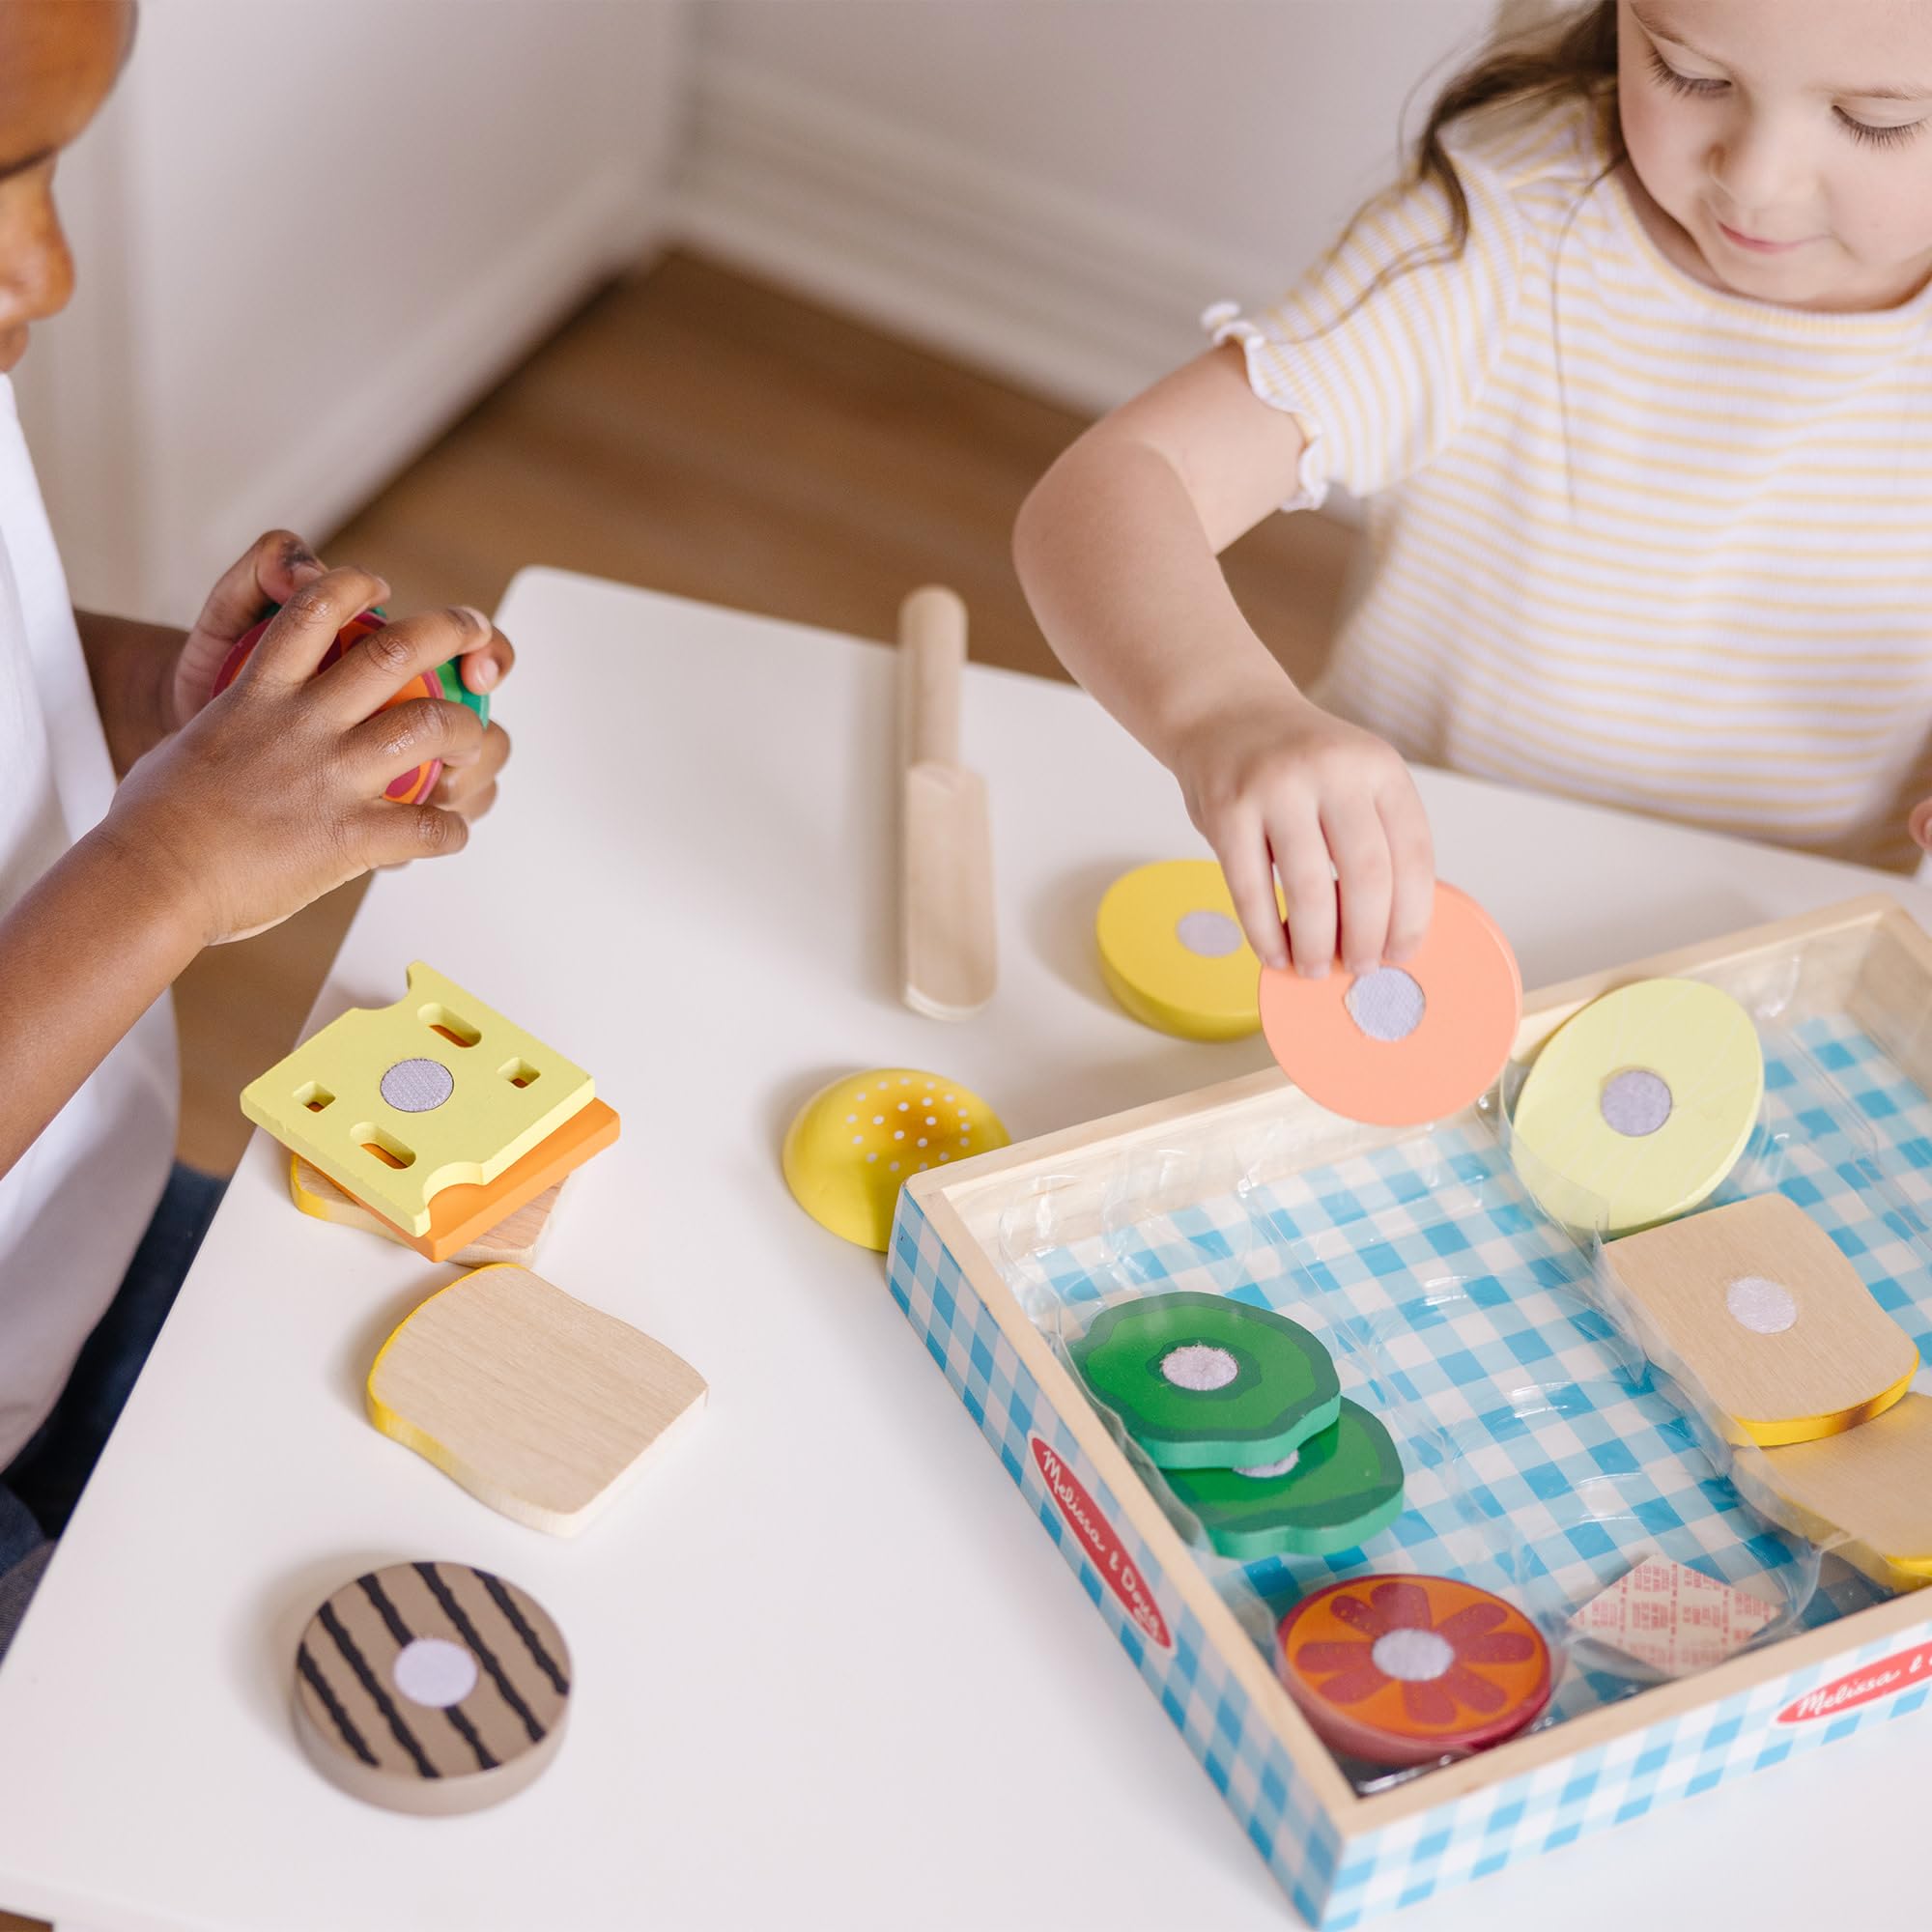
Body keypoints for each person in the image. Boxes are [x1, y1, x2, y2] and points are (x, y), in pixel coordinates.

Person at [1015, 0, 1932, 981]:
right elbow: (1116, 484)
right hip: (1416, 919)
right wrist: (1221, 710)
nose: (1753, 178)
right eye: (1687, 74)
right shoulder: (1503, 229)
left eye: (1875, 119)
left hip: (1800, 956)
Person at [0, 0, 514, 1651]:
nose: (45, 272)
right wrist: (174, 860)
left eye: (42, 174)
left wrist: (178, 710)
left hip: (73, 1219)